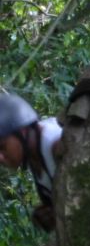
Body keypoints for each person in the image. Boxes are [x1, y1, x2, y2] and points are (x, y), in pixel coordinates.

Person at [0, 93, 62, 232]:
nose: (0, 158)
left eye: (2, 147)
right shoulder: (33, 153)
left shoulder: (56, 144)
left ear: (22, 132)